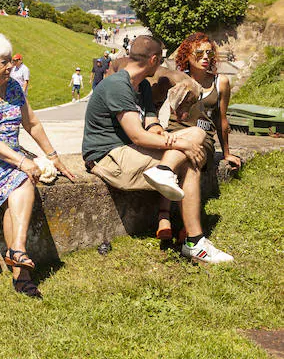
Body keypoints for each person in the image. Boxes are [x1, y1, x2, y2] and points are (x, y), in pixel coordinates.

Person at [82, 35, 233, 264]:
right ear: (153, 59)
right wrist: (179, 143)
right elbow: (137, 135)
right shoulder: (118, 86)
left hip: (128, 149)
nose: (162, 66)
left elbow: (150, 124)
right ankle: (195, 242)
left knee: (197, 134)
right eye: (160, 61)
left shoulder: (141, 85)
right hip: (108, 157)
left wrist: (163, 133)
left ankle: (165, 170)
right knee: (189, 160)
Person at [0, 33, 74, 298]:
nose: (10, 66)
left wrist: (52, 156)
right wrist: (22, 161)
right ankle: (21, 267)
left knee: (17, 184)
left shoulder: (14, 87)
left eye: (10, 61)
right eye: (3, 62)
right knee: (20, 179)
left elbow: (32, 124)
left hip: (9, 157)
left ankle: (17, 256)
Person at [154, 32, 241, 241]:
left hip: (204, 139)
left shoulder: (221, 83)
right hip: (176, 132)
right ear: (187, 56)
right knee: (184, 156)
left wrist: (227, 153)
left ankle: (164, 217)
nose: (205, 57)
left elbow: (222, 120)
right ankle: (183, 225)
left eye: (209, 53)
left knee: (191, 156)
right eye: (199, 53)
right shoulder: (176, 79)